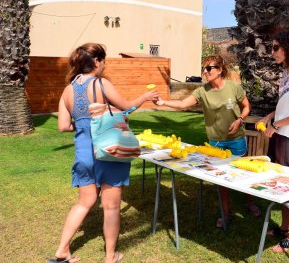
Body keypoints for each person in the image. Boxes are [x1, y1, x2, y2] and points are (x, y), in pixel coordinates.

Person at [50, 43, 159, 263]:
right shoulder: (101, 84)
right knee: (110, 206)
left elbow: (62, 125)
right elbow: (126, 107)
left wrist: (82, 125)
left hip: (83, 154)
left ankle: (62, 250)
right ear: (96, 61)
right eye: (103, 61)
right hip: (107, 150)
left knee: (84, 202)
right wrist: (145, 97)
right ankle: (110, 256)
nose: (104, 65)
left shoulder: (68, 90)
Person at [156, 55, 261, 228]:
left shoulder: (234, 88)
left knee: (243, 174)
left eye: (209, 68)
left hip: (236, 140)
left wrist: (239, 120)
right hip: (216, 143)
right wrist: (162, 102)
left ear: (220, 70)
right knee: (221, 179)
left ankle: (249, 202)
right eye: (204, 69)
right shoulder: (202, 91)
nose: (205, 72)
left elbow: (246, 107)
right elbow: (183, 104)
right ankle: (226, 214)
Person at [255, 30, 289, 252]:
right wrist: (270, 116)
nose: (272, 52)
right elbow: (287, 105)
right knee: (281, 185)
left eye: (276, 47)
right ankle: (285, 227)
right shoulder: (287, 73)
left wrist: (276, 125)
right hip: (281, 138)